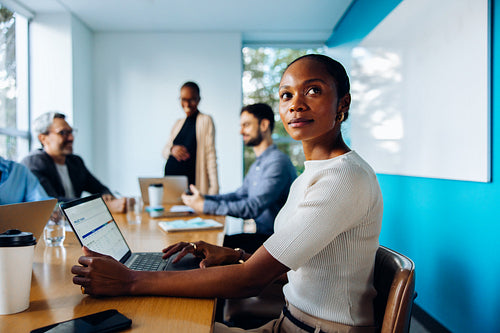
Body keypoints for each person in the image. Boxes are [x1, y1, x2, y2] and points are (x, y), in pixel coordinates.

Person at [71, 54, 383, 333]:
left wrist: (130, 280)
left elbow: (251, 280)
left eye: (313, 90)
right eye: (286, 95)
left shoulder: (344, 178)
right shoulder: (313, 174)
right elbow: (301, 268)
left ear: (343, 103)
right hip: (290, 322)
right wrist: (235, 255)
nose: (295, 104)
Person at [182, 103, 297, 253]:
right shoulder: (260, 163)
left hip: (276, 244)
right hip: (263, 238)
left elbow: (252, 208)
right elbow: (239, 195)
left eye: (246, 125)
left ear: (264, 125)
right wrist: (204, 199)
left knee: (209, 248)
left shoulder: (277, 162)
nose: (241, 131)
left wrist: (205, 206)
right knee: (208, 245)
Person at [21, 112, 126, 213]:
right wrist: (101, 206)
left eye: (71, 132)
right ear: (43, 138)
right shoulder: (34, 163)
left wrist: (107, 197)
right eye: (62, 133)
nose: (71, 138)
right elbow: (53, 203)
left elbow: (100, 188)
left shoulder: (75, 161)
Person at [162, 81, 219, 195]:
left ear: (198, 99)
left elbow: (210, 155)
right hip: (171, 186)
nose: (187, 104)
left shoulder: (205, 120)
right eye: (183, 99)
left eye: (191, 99)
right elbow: (164, 151)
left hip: (193, 188)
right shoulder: (178, 123)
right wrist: (172, 149)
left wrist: (214, 189)